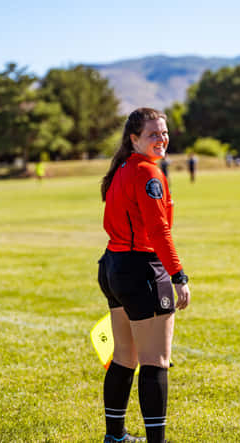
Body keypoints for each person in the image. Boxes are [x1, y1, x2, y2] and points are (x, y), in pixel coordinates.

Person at [98, 108, 191, 443]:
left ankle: (115, 436)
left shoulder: (122, 168)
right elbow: (158, 231)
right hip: (141, 270)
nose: (161, 139)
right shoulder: (148, 174)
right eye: (153, 134)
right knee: (156, 362)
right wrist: (178, 275)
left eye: (164, 133)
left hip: (114, 266)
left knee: (125, 358)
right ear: (134, 139)